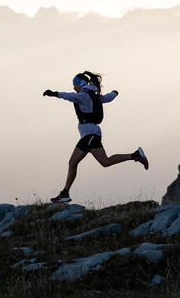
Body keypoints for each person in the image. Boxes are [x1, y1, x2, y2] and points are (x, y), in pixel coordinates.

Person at [43, 70, 148, 203]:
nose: (73, 87)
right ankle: (135, 155)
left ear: (80, 84)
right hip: (92, 134)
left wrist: (54, 94)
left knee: (73, 163)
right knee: (105, 162)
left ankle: (65, 193)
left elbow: (68, 96)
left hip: (89, 135)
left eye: (74, 84)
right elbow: (108, 98)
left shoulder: (83, 96)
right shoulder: (94, 96)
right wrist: (115, 93)